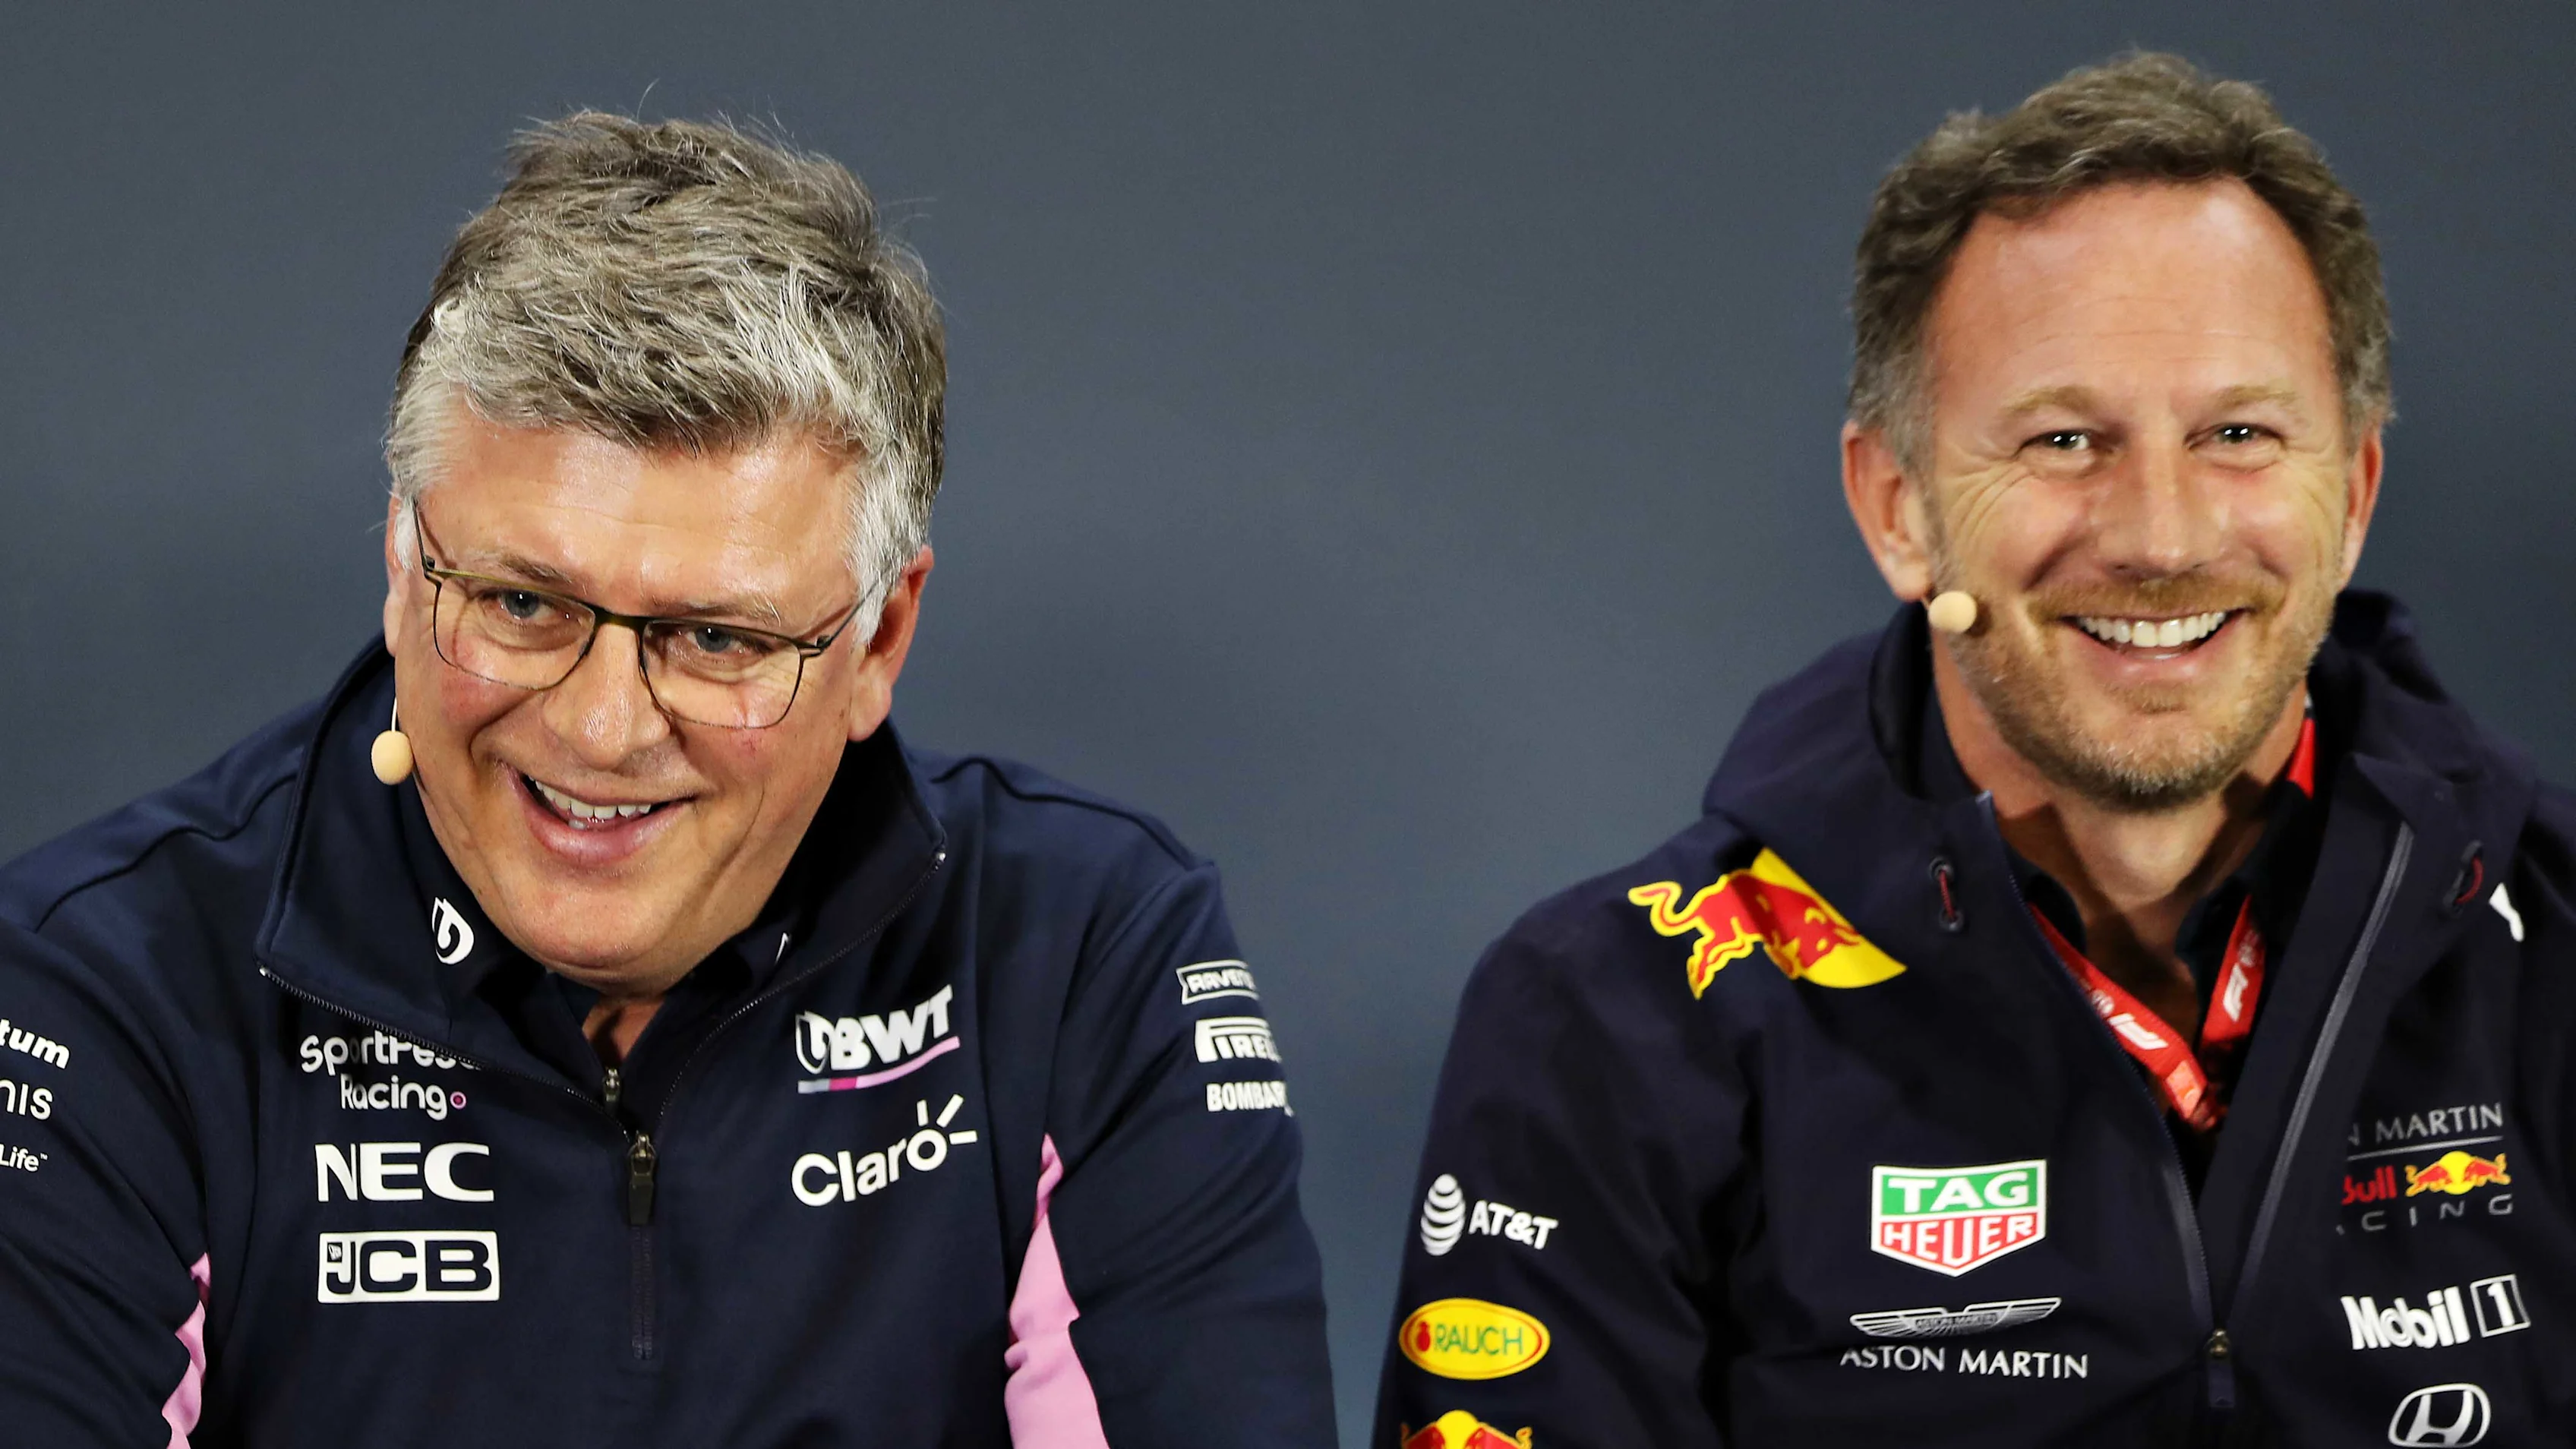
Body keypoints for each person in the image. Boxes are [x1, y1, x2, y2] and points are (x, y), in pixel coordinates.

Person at [0, 113, 1333, 1447]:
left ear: (881, 638)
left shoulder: (1081, 950)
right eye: (522, 602)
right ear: (404, 567)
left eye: (718, 638)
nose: (600, 727)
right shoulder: (102, 985)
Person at [1377, 53, 2573, 1447]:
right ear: (1898, 508)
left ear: (2354, 495)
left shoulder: (2553, 941)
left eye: (2240, 433)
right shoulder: (1615, 1019)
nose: (2163, 535)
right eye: (2065, 440)